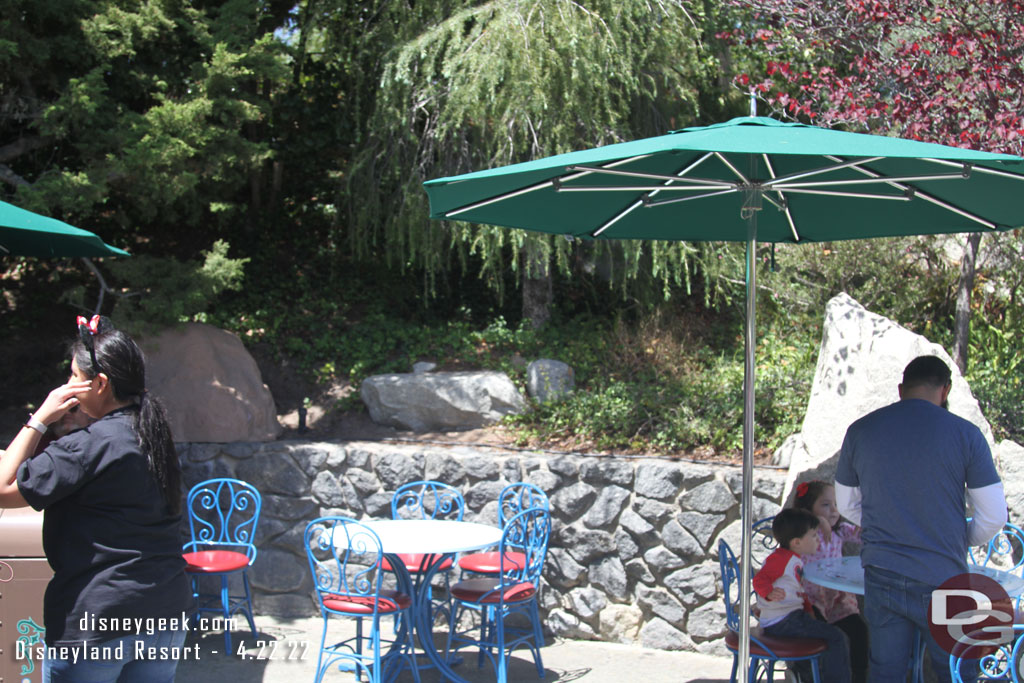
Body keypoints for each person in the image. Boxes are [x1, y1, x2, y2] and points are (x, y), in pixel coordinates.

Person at [0, 315, 194, 683]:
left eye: (74, 376)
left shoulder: (87, 446)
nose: (67, 386)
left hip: (99, 620)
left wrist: (40, 418)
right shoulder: (153, 434)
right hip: (165, 609)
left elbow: (3, 489)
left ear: (101, 384)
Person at [835, 354, 1007, 683]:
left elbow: (846, 503)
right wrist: (961, 535)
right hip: (944, 577)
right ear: (946, 389)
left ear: (901, 390)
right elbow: (994, 516)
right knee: (955, 673)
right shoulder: (967, 435)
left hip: (882, 572)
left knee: (887, 672)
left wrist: (884, 526)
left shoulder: (860, 430)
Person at [753, 507, 852, 683]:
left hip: (789, 618)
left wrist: (807, 609)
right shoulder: (781, 559)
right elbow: (759, 579)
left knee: (824, 630)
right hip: (783, 621)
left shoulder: (792, 558)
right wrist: (768, 592)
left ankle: (803, 676)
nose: (818, 540)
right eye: (814, 536)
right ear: (797, 542)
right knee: (837, 637)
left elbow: (797, 591)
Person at [793, 479, 868, 683]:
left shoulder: (841, 530)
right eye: (826, 505)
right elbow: (792, 520)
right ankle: (809, 675)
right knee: (822, 637)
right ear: (808, 508)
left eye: (836, 504)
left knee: (859, 632)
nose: (834, 510)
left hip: (836, 600)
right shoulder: (802, 533)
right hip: (810, 601)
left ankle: (858, 677)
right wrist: (816, 521)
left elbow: (864, 535)